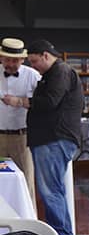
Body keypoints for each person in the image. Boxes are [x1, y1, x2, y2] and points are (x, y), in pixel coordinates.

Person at [25, 39, 84, 235]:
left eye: (34, 62)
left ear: (45, 56)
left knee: (50, 191)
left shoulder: (60, 72)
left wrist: (23, 101)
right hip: (52, 138)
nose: (33, 67)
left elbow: (50, 101)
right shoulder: (54, 73)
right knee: (53, 190)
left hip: (53, 138)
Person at [0, 37, 40, 205]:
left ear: (23, 60)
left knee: (26, 182)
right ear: (1, 58)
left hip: (22, 137)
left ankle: (29, 223)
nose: (10, 64)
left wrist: (20, 101)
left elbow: (42, 103)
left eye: (15, 61)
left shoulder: (33, 76)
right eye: (7, 59)